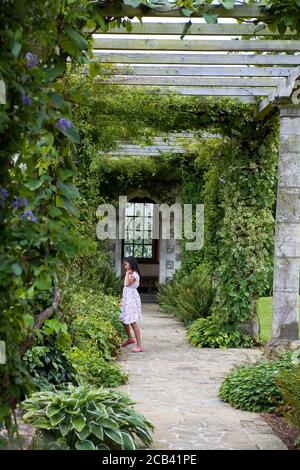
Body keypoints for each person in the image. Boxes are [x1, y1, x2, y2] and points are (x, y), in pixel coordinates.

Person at [119, 256, 143, 353]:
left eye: (126, 264)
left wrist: (127, 274)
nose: (124, 266)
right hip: (127, 300)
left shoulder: (134, 274)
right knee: (124, 319)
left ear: (131, 264)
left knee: (133, 321)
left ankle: (139, 345)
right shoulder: (130, 273)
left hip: (132, 300)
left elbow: (126, 284)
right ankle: (130, 338)